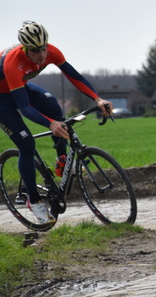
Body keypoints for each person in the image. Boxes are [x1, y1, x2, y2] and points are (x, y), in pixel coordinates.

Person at [0, 21, 113, 225]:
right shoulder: (12, 63)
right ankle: (34, 201)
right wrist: (50, 124)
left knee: (52, 105)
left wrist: (97, 99)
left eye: (43, 48)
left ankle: (62, 159)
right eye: (35, 51)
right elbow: (24, 107)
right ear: (25, 48)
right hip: (2, 99)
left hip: (20, 87)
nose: (42, 55)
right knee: (26, 144)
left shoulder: (52, 52)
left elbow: (74, 76)